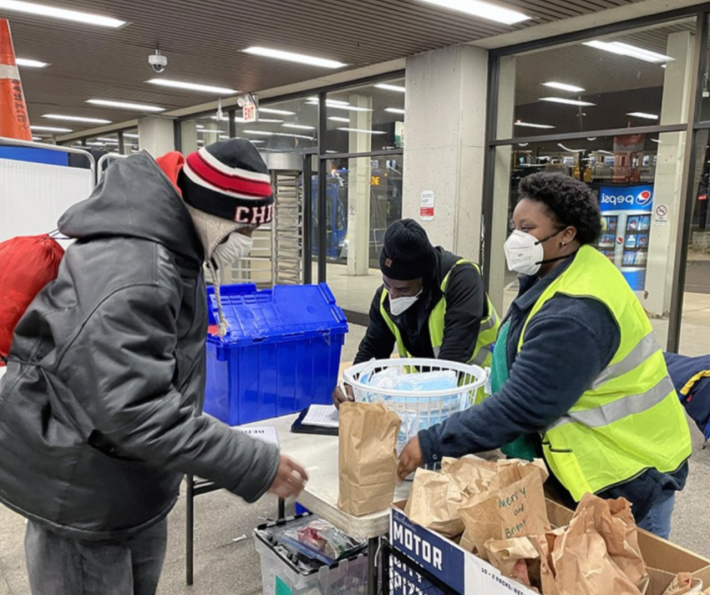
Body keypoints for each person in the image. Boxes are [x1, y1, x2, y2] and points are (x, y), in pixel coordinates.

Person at [0, 139, 307, 595]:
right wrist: (252, 464)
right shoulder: (137, 269)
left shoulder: (174, 251)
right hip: (83, 497)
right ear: (215, 217)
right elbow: (134, 410)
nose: (246, 246)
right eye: (243, 233)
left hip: (125, 482)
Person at [398, 172, 692, 540]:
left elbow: (524, 405)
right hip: (609, 462)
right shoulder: (560, 273)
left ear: (566, 235)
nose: (515, 238)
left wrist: (432, 441)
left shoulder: (575, 311)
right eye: (514, 226)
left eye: (527, 227)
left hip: (628, 475)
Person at [333, 218, 499, 407]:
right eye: (387, 284)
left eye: (403, 290)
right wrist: (352, 385)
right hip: (428, 403)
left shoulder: (460, 280)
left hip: (481, 397)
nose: (393, 296)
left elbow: (454, 356)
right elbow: (373, 350)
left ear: (425, 278)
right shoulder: (384, 299)